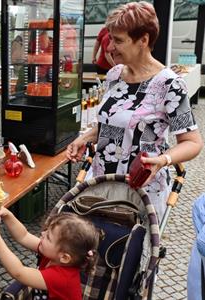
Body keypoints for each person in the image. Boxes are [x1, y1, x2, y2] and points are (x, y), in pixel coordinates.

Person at [66, 1, 203, 219]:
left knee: (132, 251)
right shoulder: (115, 74)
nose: (109, 47)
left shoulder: (169, 84)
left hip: (140, 190)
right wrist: (86, 138)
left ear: (143, 40)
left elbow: (193, 143)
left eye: (118, 40)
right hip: (102, 182)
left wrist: (164, 160)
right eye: (110, 38)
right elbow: (110, 124)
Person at [0, 210, 100, 299]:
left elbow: (18, 272)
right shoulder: (53, 254)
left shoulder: (62, 278)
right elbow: (24, 236)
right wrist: (8, 215)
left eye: (48, 237)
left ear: (64, 257)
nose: (42, 233)